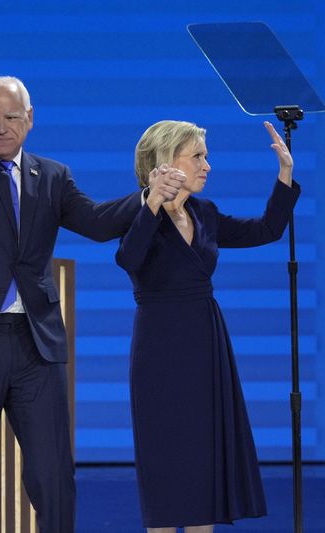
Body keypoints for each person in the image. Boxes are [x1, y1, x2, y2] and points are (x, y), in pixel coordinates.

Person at [0, 76, 184, 532]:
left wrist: (148, 198)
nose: (0, 127)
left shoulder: (53, 176)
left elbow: (98, 222)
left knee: (53, 473)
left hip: (35, 345)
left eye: (11, 117)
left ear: (31, 119)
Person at [116, 120, 299, 532]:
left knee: (204, 461)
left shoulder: (205, 213)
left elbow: (267, 230)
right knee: (164, 459)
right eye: (197, 156)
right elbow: (128, 260)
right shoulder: (136, 212)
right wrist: (152, 204)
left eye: (206, 156)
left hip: (206, 346)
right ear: (166, 162)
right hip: (159, 351)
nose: (207, 166)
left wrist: (285, 175)